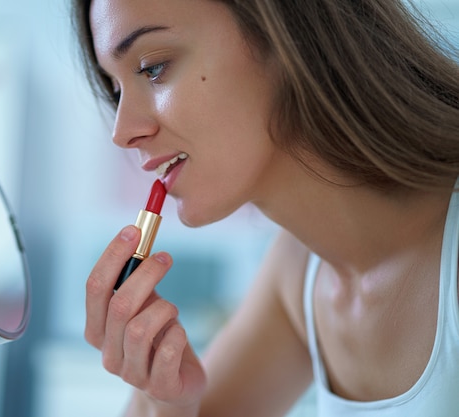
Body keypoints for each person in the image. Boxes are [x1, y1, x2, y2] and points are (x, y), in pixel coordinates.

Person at [71, 0, 459, 415]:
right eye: (115, 89)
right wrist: (162, 398)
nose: (122, 131)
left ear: (282, 29)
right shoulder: (299, 270)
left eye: (153, 67)